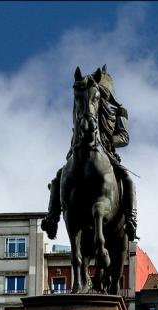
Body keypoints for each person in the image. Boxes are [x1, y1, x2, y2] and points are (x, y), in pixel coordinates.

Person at [42, 67, 138, 242]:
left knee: (128, 180)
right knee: (58, 178)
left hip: (107, 154)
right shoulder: (87, 110)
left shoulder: (119, 113)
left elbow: (124, 138)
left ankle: (131, 220)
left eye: (105, 91)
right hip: (81, 152)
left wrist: (106, 141)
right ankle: (52, 218)